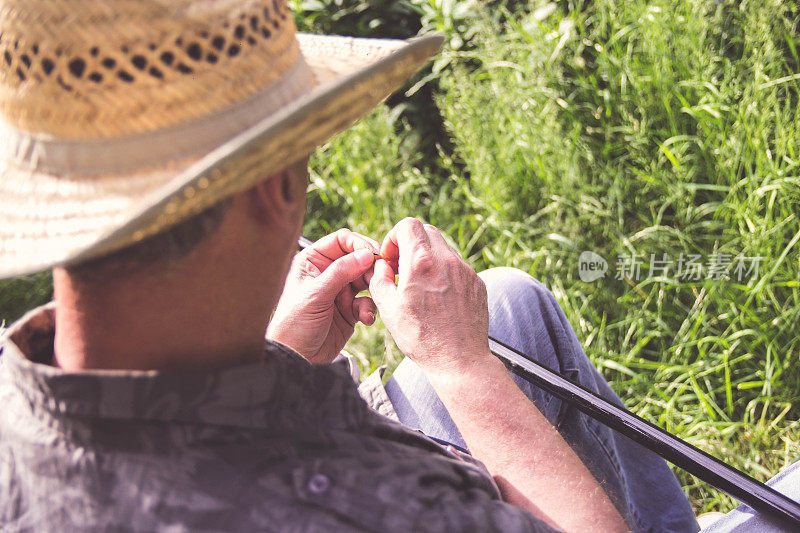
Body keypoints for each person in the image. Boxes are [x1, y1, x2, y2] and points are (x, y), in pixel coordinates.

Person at [0, 0, 772, 531]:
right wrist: (462, 363)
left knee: (510, 303)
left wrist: (277, 355)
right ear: (279, 186)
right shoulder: (381, 508)